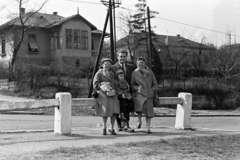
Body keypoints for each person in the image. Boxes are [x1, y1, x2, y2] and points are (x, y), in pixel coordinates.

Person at [93, 58, 120, 135]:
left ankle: (111, 127)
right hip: (103, 94)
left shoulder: (112, 73)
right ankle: (104, 127)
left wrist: (117, 90)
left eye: (109, 64)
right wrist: (103, 85)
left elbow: (116, 82)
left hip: (113, 93)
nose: (107, 65)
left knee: (115, 111)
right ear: (102, 65)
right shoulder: (99, 73)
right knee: (105, 112)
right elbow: (95, 85)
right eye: (105, 64)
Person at [131, 57, 158, 134]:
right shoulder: (134, 73)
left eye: (142, 63)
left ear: (145, 64)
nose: (141, 64)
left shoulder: (150, 72)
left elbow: (155, 83)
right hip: (139, 94)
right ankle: (139, 121)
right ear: (137, 64)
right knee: (139, 109)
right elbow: (132, 84)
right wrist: (137, 89)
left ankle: (148, 128)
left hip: (149, 94)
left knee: (148, 112)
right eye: (139, 63)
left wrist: (153, 89)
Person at [112, 49, 135, 132]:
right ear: (117, 57)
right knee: (121, 108)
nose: (122, 58)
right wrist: (119, 92)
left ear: (126, 57)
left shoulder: (131, 67)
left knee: (128, 107)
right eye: (120, 56)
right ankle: (120, 125)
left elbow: (132, 79)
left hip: (128, 91)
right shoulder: (113, 67)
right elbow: (113, 80)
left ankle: (126, 124)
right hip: (118, 92)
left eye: (124, 56)